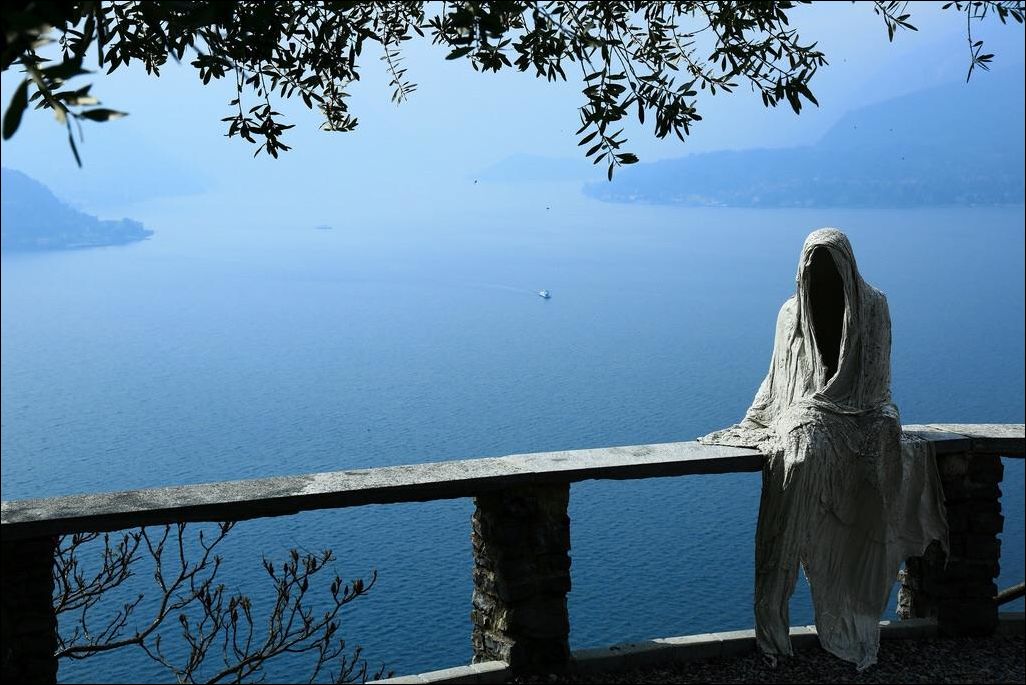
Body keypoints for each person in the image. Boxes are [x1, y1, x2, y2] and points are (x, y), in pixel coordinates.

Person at [700, 228, 947, 670]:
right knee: (801, 448)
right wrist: (809, 409)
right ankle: (775, 610)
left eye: (830, 265)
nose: (821, 274)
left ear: (848, 265)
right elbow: (781, 380)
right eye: (813, 266)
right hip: (808, 408)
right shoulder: (790, 313)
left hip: (865, 408)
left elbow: (876, 378)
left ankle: (855, 596)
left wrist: (852, 409)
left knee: (884, 438)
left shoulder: (874, 306)